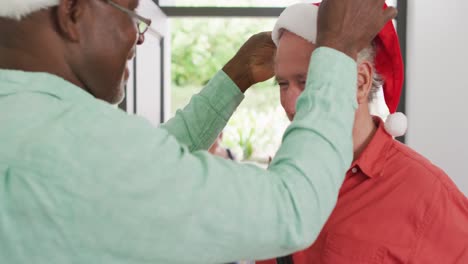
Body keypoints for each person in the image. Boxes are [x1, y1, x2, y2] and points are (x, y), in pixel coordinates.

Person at [0, 0, 397, 263]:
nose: (138, 37)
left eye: (306, 82)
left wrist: (234, 78)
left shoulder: (29, 123)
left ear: (363, 82)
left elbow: (141, 174)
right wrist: (336, 49)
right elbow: (289, 209)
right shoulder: (74, 141)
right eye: (133, 15)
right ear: (72, 12)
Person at [257, 3, 468, 264]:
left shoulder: (429, 196)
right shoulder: (281, 178)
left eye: (306, 81)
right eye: (283, 84)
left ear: (361, 81)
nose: (289, 104)